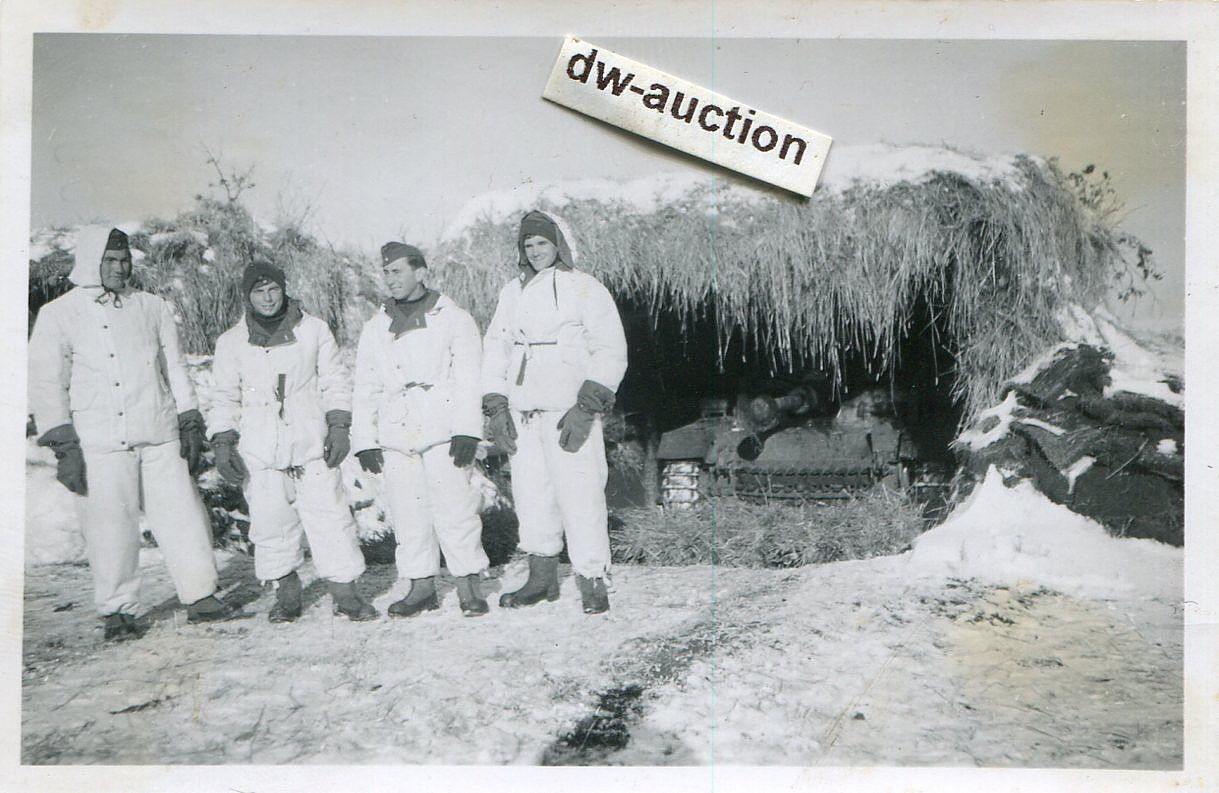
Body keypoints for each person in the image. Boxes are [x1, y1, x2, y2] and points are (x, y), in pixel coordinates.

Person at [28, 225, 236, 641]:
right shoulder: (58, 315)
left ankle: (200, 595)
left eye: (125, 261)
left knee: (184, 517)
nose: (120, 268)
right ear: (91, 262)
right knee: (109, 528)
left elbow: (174, 368)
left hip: (158, 433)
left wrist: (189, 419)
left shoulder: (152, 307)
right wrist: (63, 443)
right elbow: (47, 382)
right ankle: (118, 611)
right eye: (110, 261)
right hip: (98, 442)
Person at [209, 260, 378, 622]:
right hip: (261, 450)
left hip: (311, 446)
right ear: (247, 296)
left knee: (331, 519)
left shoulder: (313, 330)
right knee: (271, 524)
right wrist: (222, 442)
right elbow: (223, 396)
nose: (268, 298)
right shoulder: (231, 342)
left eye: (273, 289)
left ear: (284, 289)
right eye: (259, 291)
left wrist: (337, 427)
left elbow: (334, 380)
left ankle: (345, 593)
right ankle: (286, 592)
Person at [481, 211, 628, 614]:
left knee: (580, 494)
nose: (535, 252)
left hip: (568, 411)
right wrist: (496, 406)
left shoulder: (585, 288)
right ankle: (542, 577)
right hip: (525, 410)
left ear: (558, 245)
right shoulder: (512, 292)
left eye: (542, 244)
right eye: (528, 246)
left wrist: (586, 406)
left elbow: (610, 349)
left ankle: (593, 578)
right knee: (531, 495)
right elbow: (496, 347)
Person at [353, 242, 490, 617]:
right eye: (387, 272)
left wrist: (467, 430)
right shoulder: (376, 326)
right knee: (408, 512)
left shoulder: (454, 318)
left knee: (455, 508)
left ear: (421, 272)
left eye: (398, 271)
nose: (390, 279)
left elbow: (468, 378)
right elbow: (365, 387)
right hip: (397, 432)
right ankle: (420, 587)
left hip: (443, 427)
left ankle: (468, 586)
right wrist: (364, 439)